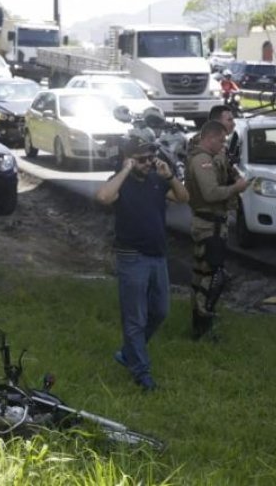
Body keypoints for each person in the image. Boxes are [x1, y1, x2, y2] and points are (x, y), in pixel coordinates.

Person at [95, 137, 189, 391]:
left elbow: (183, 197)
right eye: (142, 159)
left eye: (151, 157)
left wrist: (169, 176)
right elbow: (103, 197)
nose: (149, 163)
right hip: (132, 257)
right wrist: (125, 169)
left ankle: (128, 353)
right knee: (135, 318)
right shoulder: (121, 182)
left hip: (158, 256)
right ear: (129, 160)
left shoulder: (157, 180)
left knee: (160, 312)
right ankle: (141, 372)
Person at [185, 120, 249, 340]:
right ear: (210, 138)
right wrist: (236, 188)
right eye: (221, 140)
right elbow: (210, 193)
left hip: (215, 223)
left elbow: (225, 170)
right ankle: (202, 325)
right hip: (207, 225)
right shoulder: (201, 160)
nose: (223, 144)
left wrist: (232, 173)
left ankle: (202, 322)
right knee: (210, 277)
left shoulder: (213, 157)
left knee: (207, 273)